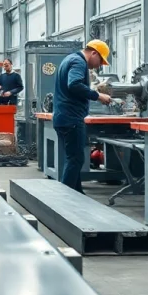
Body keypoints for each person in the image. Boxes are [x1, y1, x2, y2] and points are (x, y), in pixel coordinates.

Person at [52, 40, 113, 193]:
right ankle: (64, 200)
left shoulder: (70, 59)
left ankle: (78, 195)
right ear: (94, 53)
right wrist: (97, 95)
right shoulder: (78, 62)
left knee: (74, 158)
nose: (99, 66)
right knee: (76, 159)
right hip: (71, 119)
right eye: (100, 61)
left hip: (63, 117)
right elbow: (74, 84)